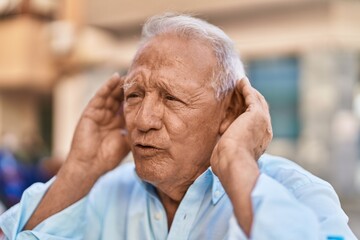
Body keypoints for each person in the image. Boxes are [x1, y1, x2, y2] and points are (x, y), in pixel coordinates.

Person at [0, 13, 356, 240]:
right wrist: (81, 169)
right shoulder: (107, 194)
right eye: (134, 95)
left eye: (171, 98)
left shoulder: (299, 194)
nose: (143, 120)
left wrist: (237, 162)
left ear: (231, 111)